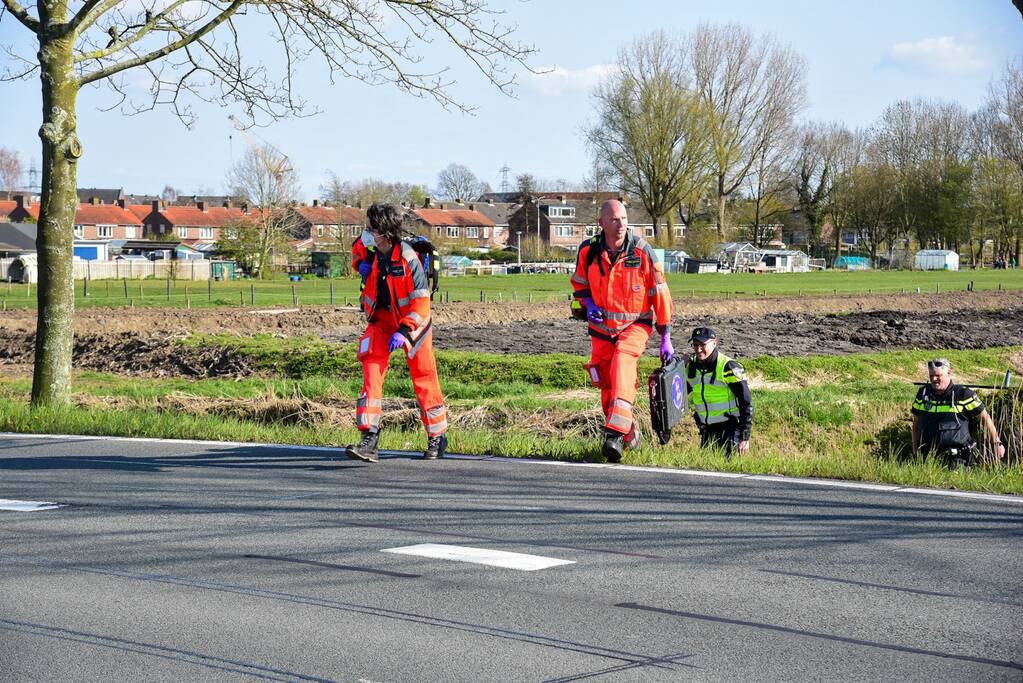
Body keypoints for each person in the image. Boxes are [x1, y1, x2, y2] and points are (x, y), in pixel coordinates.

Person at [571, 199, 673, 463]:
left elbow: (660, 293)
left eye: (624, 219)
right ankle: (630, 434)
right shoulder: (588, 251)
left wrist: (666, 337)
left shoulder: (641, 252)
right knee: (606, 384)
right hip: (601, 330)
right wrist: (588, 304)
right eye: (615, 219)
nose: (621, 224)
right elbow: (579, 287)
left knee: (622, 366)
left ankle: (614, 435)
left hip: (634, 326)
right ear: (601, 223)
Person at [346, 203, 448, 463]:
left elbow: (421, 303)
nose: (366, 233)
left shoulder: (408, 259)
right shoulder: (371, 248)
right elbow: (357, 250)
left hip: (412, 324)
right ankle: (369, 437)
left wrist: (405, 329)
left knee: (423, 375)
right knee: (371, 370)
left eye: (371, 229)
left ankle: (437, 436)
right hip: (380, 320)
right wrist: (361, 264)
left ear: (385, 232)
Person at [911, 358, 1005, 465]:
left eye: (938, 375)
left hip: (957, 461)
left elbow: (985, 419)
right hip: (927, 459)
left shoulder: (964, 395)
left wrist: (997, 443)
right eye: (931, 376)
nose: (934, 379)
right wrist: (915, 451)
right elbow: (916, 424)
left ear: (949, 373)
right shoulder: (923, 394)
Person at [684, 327, 753, 456]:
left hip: (730, 430)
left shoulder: (728, 367)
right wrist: (678, 368)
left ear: (714, 343)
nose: (698, 349)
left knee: (728, 473)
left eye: (703, 345)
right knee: (707, 472)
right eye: (695, 345)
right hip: (707, 430)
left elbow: (746, 401)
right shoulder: (691, 368)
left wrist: (745, 437)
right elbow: (677, 395)